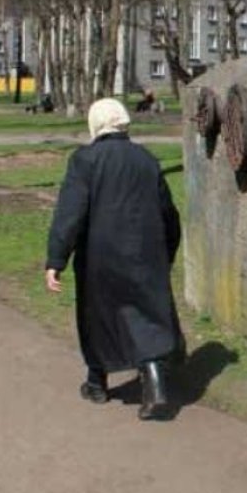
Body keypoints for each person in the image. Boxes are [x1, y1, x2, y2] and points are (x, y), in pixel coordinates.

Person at [44, 98, 183, 420]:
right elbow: (168, 212)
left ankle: (96, 384)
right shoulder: (146, 160)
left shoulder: (85, 160)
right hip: (145, 253)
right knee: (146, 315)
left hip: (100, 256)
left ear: (95, 123)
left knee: (98, 317)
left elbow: (70, 214)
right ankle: (156, 385)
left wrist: (56, 259)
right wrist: (168, 251)